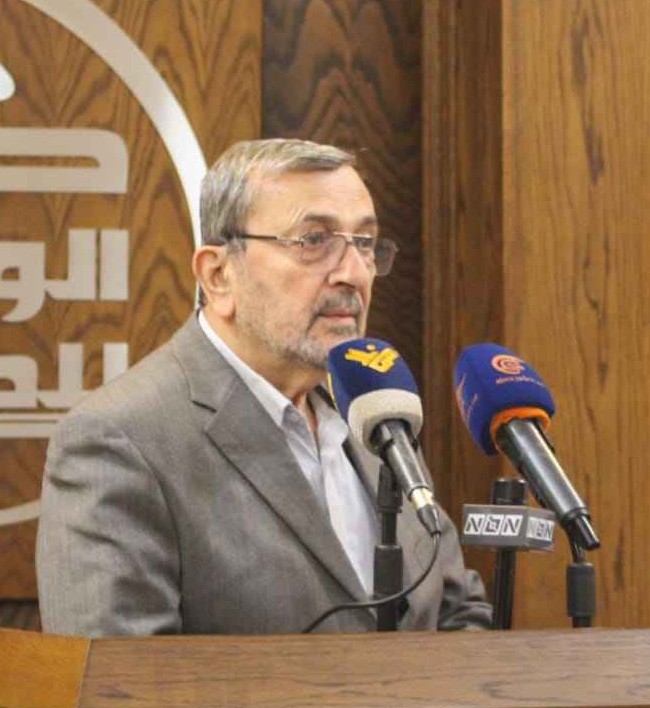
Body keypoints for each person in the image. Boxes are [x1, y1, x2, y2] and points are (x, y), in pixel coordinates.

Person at [36, 137, 491, 635]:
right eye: (314, 240)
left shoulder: (376, 416)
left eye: (364, 242)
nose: (354, 273)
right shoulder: (119, 441)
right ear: (218, 276)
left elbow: (456, 612)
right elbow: (121, 676)